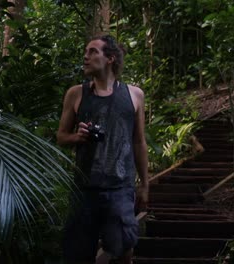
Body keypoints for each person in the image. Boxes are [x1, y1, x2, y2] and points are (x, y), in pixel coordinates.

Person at [57, 35, 149, 264]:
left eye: (92, 52)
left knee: (123, 249)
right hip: (84, 189)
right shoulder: (76, 94)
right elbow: (61, 137)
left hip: (120, 187)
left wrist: (145, 185)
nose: (86, 57)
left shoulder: (134, 95)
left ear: (110, 58)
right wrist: (77, 137)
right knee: (78, 253)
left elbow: (139, 141)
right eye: (86, 52)